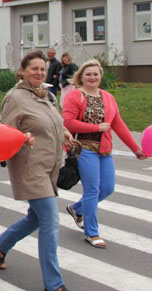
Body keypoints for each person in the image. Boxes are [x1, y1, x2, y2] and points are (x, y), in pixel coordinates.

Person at [0, 50, 73, 291]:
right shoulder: (15, 97)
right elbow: (4, 133)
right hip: (29, 167)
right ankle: (53, 283)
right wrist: (22, 137)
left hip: (49, 166)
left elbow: (53, 122)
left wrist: (64, 132)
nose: (39, 72)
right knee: (50, 219)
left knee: (35, 218)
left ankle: (1, 244)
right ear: (22, 71)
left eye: (42, 69)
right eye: (34, 68)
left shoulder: (47, 94)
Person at [62, 59, 147, 248]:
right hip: (83, 149)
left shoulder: (107, 97)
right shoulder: (75, 96)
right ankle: (91, 232)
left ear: (100, 76)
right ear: (81, 76)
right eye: (88, 74)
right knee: (92, 190)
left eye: (96, 74)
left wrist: (136, 149)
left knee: (107, 188)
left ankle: (76, 208)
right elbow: (67, 122)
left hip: (104, 149)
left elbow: (119, 125)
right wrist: (97, 127)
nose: (92, 77)